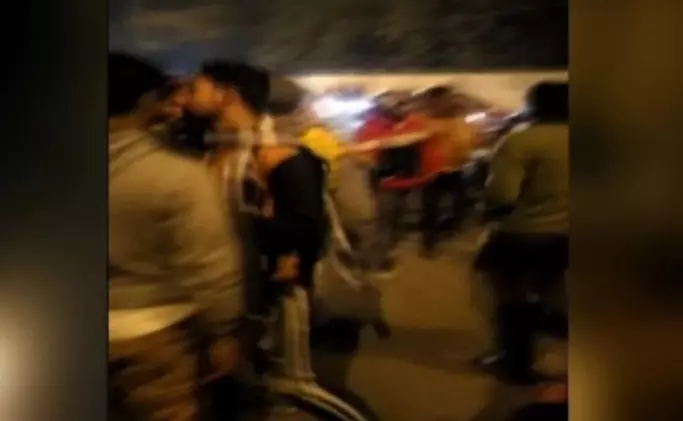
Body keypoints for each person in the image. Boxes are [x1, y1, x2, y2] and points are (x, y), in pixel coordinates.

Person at [108, 53, 246, 421]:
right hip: (153, 337)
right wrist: (222, 332)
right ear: (143, 101)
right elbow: (210, 266)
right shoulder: (177, 175)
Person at [185, 60, 328, 306]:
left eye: (195, 89)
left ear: (227, 95)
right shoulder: (214, 149)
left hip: (264, 291)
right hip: (215, 282)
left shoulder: (280, 154)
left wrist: (228, 222)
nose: (186, 97)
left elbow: (306, 231)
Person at [473, 81, 569, 385]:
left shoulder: (521, 142)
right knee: (555, 295)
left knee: (511, 299)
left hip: (525, 233)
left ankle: (515, 362)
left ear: (534, 105)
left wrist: (486, 215)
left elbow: (502, 195)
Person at [353, 91, 431, 253]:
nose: (405, 108)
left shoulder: (415, 122)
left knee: (397, 217)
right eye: (400, 105)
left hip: (410, 180)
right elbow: (361, 158)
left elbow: (426, 139)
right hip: (387, 183)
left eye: (406, 104)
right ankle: (378, 256)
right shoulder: (371, 127)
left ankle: (389, 246)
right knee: (385, 221)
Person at [418, 86, 479, 256]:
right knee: (431, 210)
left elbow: (470, 142)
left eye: (448, 99)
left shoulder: (460, 122)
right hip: (431, 172)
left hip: (455, 169)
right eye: (443, 99)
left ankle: (445, 229)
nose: (447, 102)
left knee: (461, 204)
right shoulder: (422, 121)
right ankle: (429, 243)